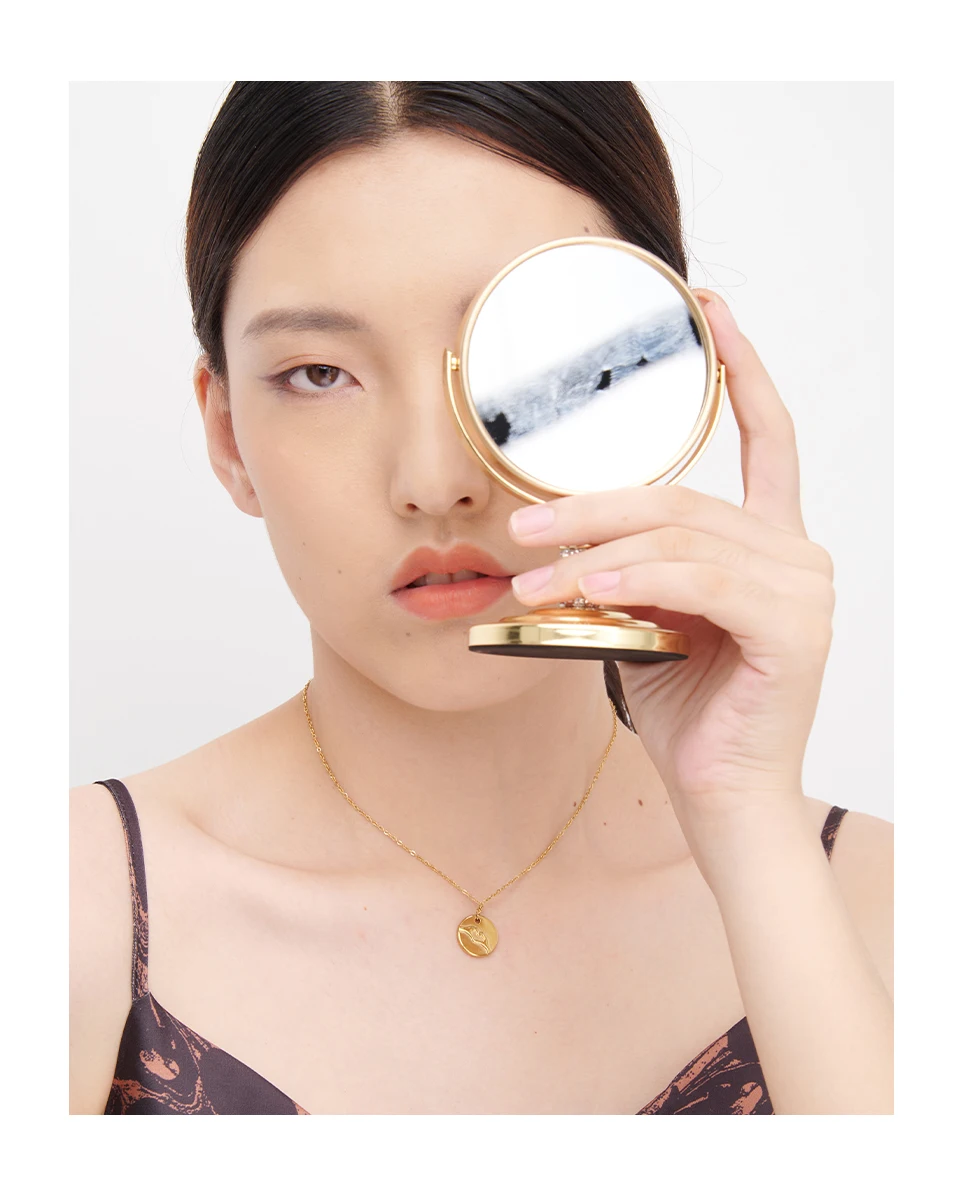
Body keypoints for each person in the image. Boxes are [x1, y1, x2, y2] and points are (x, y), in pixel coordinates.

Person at [69, 82, 893, 1115]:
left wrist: (747, 818)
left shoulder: (878, 903)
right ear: (228, 435)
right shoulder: (74, 898)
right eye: (320, 373)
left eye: (524, 357)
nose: (435, 478)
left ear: (672, 372)